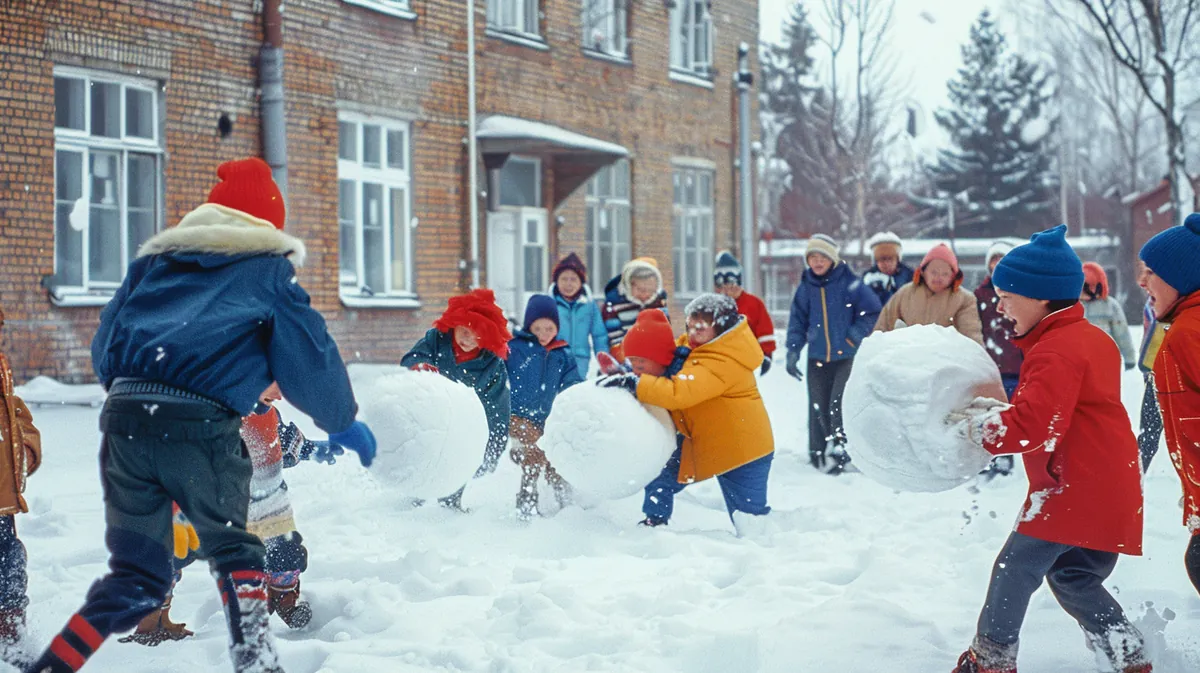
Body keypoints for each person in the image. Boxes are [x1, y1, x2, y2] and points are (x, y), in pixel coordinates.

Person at [30, 157, 377, 673]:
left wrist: (144, 392)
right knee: (236, 551)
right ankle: (259, 664)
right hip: (197, 426)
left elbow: (106, 344)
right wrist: (342, 419)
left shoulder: (153, 266)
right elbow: (308, 352)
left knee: (135, 576)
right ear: (264, 225)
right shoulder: (266, 269)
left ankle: (53, 666)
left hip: (124, 422)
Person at [948, 225, 1149, 673]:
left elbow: (1035, 425)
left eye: (1007, 296)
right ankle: (1128, 653)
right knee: (1073, 576)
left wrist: (980, 429)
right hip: (1109, 485)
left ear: (1040, 297)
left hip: (1071, 489)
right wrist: (1007, 411)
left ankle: (991, 659)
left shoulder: (1056, 349)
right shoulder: (1090, 339)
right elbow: (1059, 411)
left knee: (1013, 569)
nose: (999, 307)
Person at [604, 295, 773, 532]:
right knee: (661, 473)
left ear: (721, 328)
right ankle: (654, 521)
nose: (692, 332)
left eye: (701, 328)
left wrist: (637, 384)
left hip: (744, 450)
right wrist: (636, 368)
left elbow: (680, 391)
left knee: (751, 521)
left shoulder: (724, 359)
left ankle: (771, 551)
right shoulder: (695, 347)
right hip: (703, 440)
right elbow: (668, 366)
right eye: (689, 325)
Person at [401, 288, 512, 510]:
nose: (468, 339)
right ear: (453, 325)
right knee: (424, 461)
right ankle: (412, 502)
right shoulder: (436, 340)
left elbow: (497, 409)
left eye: (477, 335)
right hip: (431, 419)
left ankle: (449, 509)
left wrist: (493, 448)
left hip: (464, 428)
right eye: (464, 330)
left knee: (457, 466)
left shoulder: (492, 366)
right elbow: (412, 358)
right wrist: (420, 366)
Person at [1138, 212, 1200, 598]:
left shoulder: (1189, 331)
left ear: (1180, 277)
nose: (1142, 281)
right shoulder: (1180, 325)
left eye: (1150, 272)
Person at [785, 234, 882, 474]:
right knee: (818, 406)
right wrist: (793, 351)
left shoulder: (850, 283)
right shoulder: (806, 287)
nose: (817, 262)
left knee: (838, 404)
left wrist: (853, 336)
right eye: (812, 258)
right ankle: (818, 452)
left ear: (832, 259)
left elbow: (872, 312)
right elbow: (797, 321)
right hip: (817, 357)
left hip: (845, 357)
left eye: (822, 257)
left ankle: (843, 450)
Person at [507, 294, 584, 519]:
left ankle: (564, 499)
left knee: (555, 458)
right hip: (519, 417)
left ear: (556, 327)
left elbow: (572, 381)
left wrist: (576, 395)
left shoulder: (562, 352)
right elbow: (496, 365)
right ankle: (527, 501)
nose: (543, 334)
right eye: (537, 328)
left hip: (547, 419)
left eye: (548, 328)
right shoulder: (515, 348)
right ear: (529, 325)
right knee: (532, 454)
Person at [0, 306, 41, 669]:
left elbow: (16, 417)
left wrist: (25, 450)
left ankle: (11, 640)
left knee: (10, 564)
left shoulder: (2, 371)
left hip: (3, 500)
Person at [974, 240, 1022, 479]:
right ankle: (989, 453)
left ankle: (1006, 454)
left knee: (1008, 410)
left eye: (1002, 260)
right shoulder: (980, 294)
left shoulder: (1020, 291)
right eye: (994, 260)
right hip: (989, 361)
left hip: (1014, 362)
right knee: (987, 410)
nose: (997, 265)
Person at [874, 243, 983, 345]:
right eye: (934, 272)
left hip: (946, 359)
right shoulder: (905, 293)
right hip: (907, 357)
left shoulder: (964, 300)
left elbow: (971, 337)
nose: (938, 278)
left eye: (945, 274)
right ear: (923, 272)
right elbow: (882, 328)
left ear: (954, 276)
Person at [713, 251, 776, 375]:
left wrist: (766, 354)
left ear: (739, 284)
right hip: (719, 362)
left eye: (731, 286)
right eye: (723, 287)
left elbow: (765, 330)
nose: (727, 291)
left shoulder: (753, 304)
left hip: (745, 361)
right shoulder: (714, 306)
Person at [550, 253, 609, 376]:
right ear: (556, 281)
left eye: (573, 279)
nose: (568, 284)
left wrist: (604, 358)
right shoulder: (549, 304)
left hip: (580, 359)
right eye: (564, 279)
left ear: (581, 283)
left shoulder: (589, 306)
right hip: (554, 358)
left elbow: (599, 335)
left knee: (575, 390)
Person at [601, 257, 669, 362]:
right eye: (641, 290)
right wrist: (621, 352)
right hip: (623, 347)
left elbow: (665, 327)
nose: (646, 294)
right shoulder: (615, 303)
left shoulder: (658, 302)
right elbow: (613, 332)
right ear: (629, 285)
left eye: (650, 290)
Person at [1080, 262, 1137, 371]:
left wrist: (1129, 357)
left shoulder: (1110, 305)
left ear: (1099, 287)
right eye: (1081, 288)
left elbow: (1122, 333)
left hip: (1104, 358)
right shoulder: (1074, 306)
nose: (1083, 293)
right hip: (1080, 359)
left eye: (1087, 288)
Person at [1136, 295, 1167, 470]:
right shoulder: (1152, 304)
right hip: (1155, 376)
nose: (1143, 281)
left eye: (1150, 273)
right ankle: (1135, 478)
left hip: (1186, 377)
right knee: (1148, 435)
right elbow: (1147, 339)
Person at [861, 232, 914, 307]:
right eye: (882, 259)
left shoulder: (910, 277)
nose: (887, 263)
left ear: (897, 259)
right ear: (876, 261)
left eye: (890, 259)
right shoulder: (867, 279)